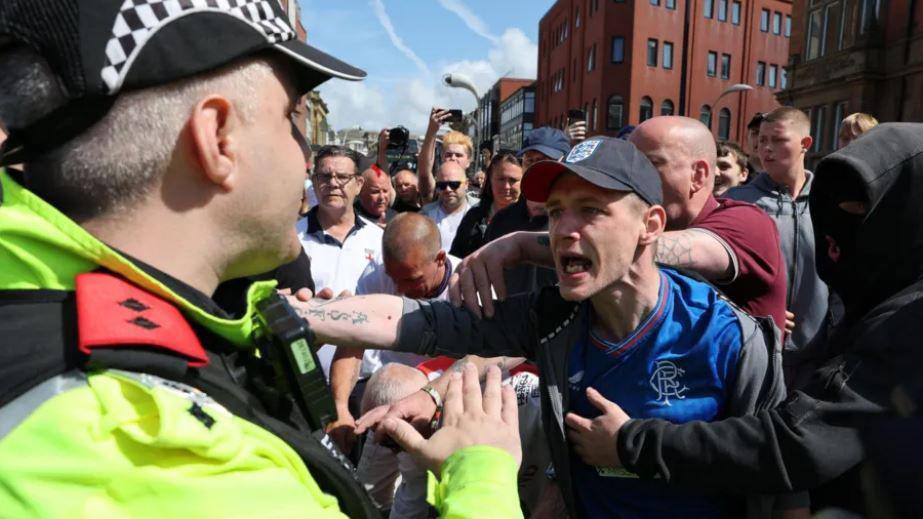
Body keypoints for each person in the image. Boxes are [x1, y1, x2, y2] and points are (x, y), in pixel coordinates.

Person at [0, 2, 523, 518]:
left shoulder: (48, 309)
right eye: (289, 119)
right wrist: (479, 472)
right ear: (219, 139)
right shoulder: (171, 454)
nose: (303, 154)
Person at [286, 137, 784, 518]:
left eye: (591, 211)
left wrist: (636, 447)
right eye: (557, 212)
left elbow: (781, 478)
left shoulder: (727, 336)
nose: (565, 229)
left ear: (650, 225)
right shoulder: (555, 318)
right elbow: (425, 322)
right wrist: (304, 318)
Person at [551, 122, 923, 518]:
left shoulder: (906, 320)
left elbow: (801, 442)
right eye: (557, 213)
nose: (632, 170)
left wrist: (632, 443)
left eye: (858, 209)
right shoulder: (874, 301)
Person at [463, 118, 787, 337]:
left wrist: (521, 245)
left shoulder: (746, 223)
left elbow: (679, 249)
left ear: (699, 175)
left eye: (650, 163)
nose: (631, 174)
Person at [326, 213, 462, 454]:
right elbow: (352, 341)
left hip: (445, 406)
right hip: (386, 405)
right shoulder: (375, 275)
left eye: (412, 280)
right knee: (370, 486)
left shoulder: (468, 285)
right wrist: (340, 408)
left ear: (440, 259)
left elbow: (485, 361)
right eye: (393, 279)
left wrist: (430, 396)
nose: (400, 290)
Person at [726, 107, 829, 386]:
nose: (766, 149)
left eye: (778, 140)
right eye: (762, 141)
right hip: (753, 350)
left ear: (805, 145)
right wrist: (754, 308)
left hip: (820, 355)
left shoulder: (829, 201)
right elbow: (714, 280)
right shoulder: (737, 202)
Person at [298, 145, 384, 377]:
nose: (333, 183)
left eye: (342, 177)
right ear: (314, 181)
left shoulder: (380, 240)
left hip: (366, 377)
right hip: (307, 375)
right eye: (325, 176)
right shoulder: (291, 239)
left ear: (358, 184)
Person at [483, 127, 570, 296]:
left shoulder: (575, 222)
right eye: (530, 161)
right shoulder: (502, 220)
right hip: (509, 318)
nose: (536, 168)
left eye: (545, 160)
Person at [449, 152, 523, 258]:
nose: (506, 186)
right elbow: (456, 257)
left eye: (513, 180)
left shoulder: (531, 218)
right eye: (501, 179)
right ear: (490, 181)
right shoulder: (473, 217)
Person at [417, 108, 473, 201]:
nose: (453, 158)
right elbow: (424, 173)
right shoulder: (436, 189)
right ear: (442, 158)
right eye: (448, 155)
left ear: (468, 161)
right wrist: (432, 129)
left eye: (458, 155)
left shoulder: (477, 198)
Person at [420, 162, 477, 251]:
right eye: (442, 185)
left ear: (466, 184)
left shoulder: (480, 214)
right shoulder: (425, 216)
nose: (448, 189)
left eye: (454, 184)